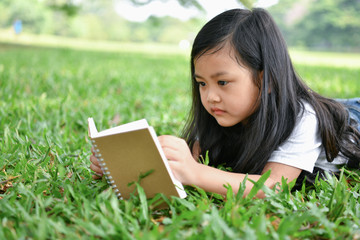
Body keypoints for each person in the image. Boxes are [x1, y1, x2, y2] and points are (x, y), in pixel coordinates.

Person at [90, 8, 360, 198]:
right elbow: (183, 169)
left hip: (350, 119)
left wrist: (194, 172)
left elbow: (273, 187)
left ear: (267, 81)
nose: (210, 97)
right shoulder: (221, 115)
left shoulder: (303, 117)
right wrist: (122, 167)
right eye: (202, 83)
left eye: (222, 82)